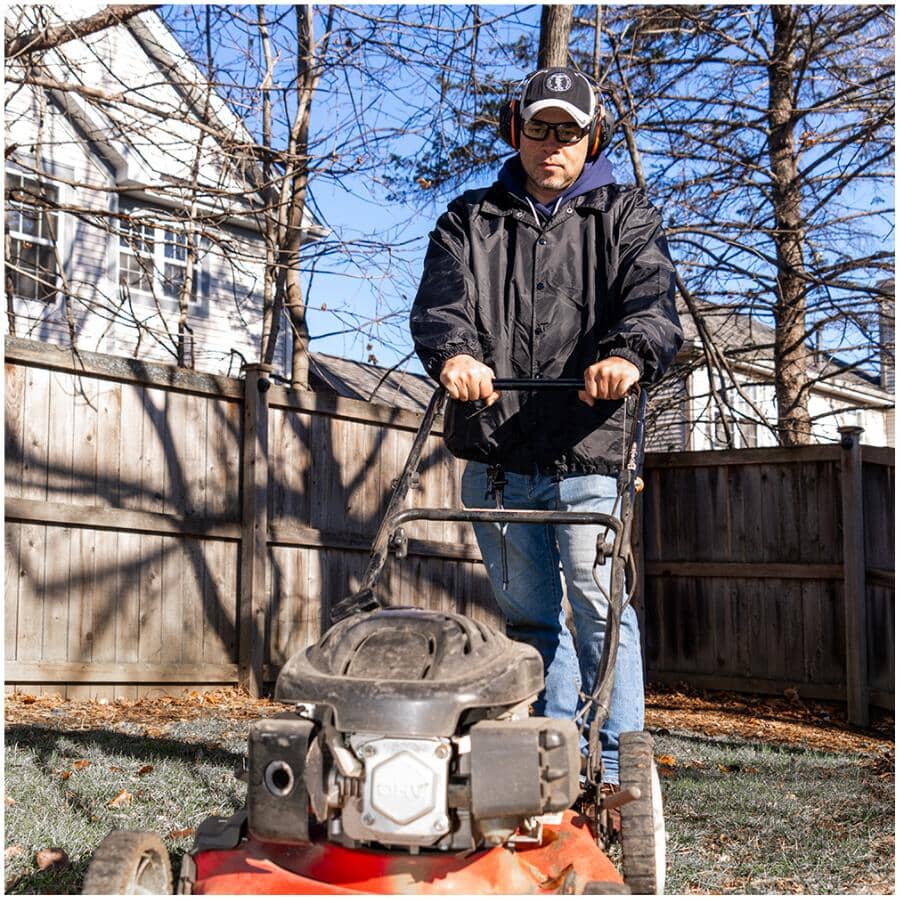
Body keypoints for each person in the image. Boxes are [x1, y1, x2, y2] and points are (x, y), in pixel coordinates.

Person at [409, 67, 683, 811]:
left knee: (600, 611)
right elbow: (440, 306)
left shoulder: (623, 216)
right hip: (497, 454)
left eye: (568, 130)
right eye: (539, 128)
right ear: (515, 131)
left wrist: (627, 355)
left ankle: (624, 778)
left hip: (591, 447)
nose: (552, 144)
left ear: (591, 137)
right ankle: (552, 767)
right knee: (528, 620)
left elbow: (654, 303)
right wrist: (457, 356)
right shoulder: (469, 220)